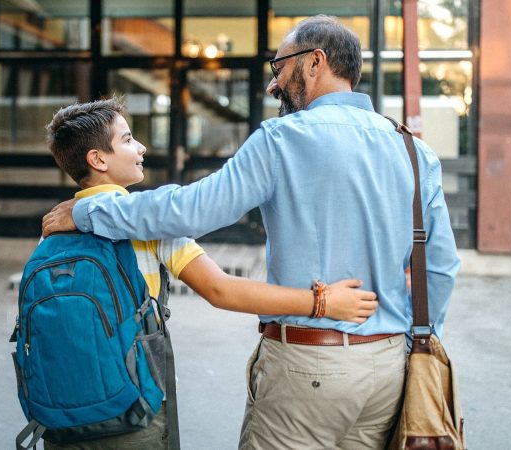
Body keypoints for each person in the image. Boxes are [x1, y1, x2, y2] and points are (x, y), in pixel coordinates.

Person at [42, 16, 460, 450]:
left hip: (308, 369)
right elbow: (442, 266)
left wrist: (92, 211)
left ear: (315, 62)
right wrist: (413, 343)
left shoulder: (283, 138)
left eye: (279, 69)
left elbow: (192, 209)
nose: (272, 85)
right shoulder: (414, 150)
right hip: (390, 369)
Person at [41, 97, 380, 450]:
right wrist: (322, 302)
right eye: (127, 139)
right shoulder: (147, 221)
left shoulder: (56, 224)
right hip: (131, 406)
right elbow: (221, 290)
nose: (140, 146)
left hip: (61, 411)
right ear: (97, 159)